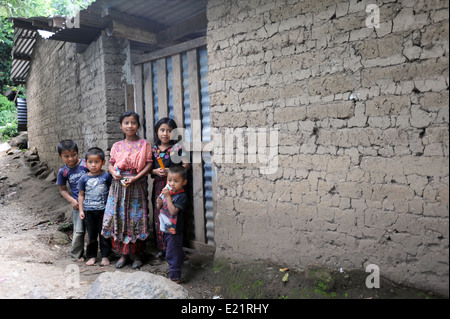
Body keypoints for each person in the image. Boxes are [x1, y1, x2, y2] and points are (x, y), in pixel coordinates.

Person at [102, 111, 152, 269]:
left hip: (136, 186)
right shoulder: (117, 146)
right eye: (126, 123)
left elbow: (149, 164)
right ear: (120, 126)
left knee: (136, 218)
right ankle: (123, 255)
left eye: (133, 122)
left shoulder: (144, 144)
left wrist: (136, 178)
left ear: (138, 125)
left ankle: (137, 255)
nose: (130, 126)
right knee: (120, 217)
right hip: (118, 188)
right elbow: (110, 163)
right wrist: (113, 172)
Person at [151, 117, 190, 259]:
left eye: (169, 131)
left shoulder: (179, 148)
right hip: (159, 186)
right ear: (157, 131)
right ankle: (162, 247)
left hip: (175, 187)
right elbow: (148, 168)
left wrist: (172, 171)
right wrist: (155, 171)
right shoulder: (153, 149)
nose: (165, 134)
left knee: (175, 216)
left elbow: (186, 165)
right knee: (159, 215)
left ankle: (176, 248)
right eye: (162, 130)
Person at [78, 147, 112, 266]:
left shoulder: (107, 176)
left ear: (103, 162)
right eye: (90, 162)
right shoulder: (84, 178)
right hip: (89, 211)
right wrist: (81, 210)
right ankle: (91, 256)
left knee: (104, 234)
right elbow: (81, 195)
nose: (93, 165)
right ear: (85, 162)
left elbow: (111, 193)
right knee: (91, 235)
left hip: (104, 211)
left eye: (96, 162)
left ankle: (105, 256)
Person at [56, 140, 88, 261]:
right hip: (77, 205)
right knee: (79, 231)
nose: (70, 159)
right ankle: (77, 255)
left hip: (93, 203)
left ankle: (94, 254)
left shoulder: (86, 164)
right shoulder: (63, 171)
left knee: (94, 229)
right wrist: (72, 200)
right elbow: (62, 190)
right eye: (66, 156)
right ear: (60, 156)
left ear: (77, 153)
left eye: (73, 155)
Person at [156, 165, 188, 283]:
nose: (172, 184)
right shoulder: (167, 192)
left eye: (176, 181)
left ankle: (175, 276)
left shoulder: (181, 196)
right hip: (165, 227)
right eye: (169, 180)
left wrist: (167, 197)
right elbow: (159, 207)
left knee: (171, 253)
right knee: (172, 247)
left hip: (174, 230)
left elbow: (173, 212)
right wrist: (159, 202)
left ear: (184, 182)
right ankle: (183, 255)